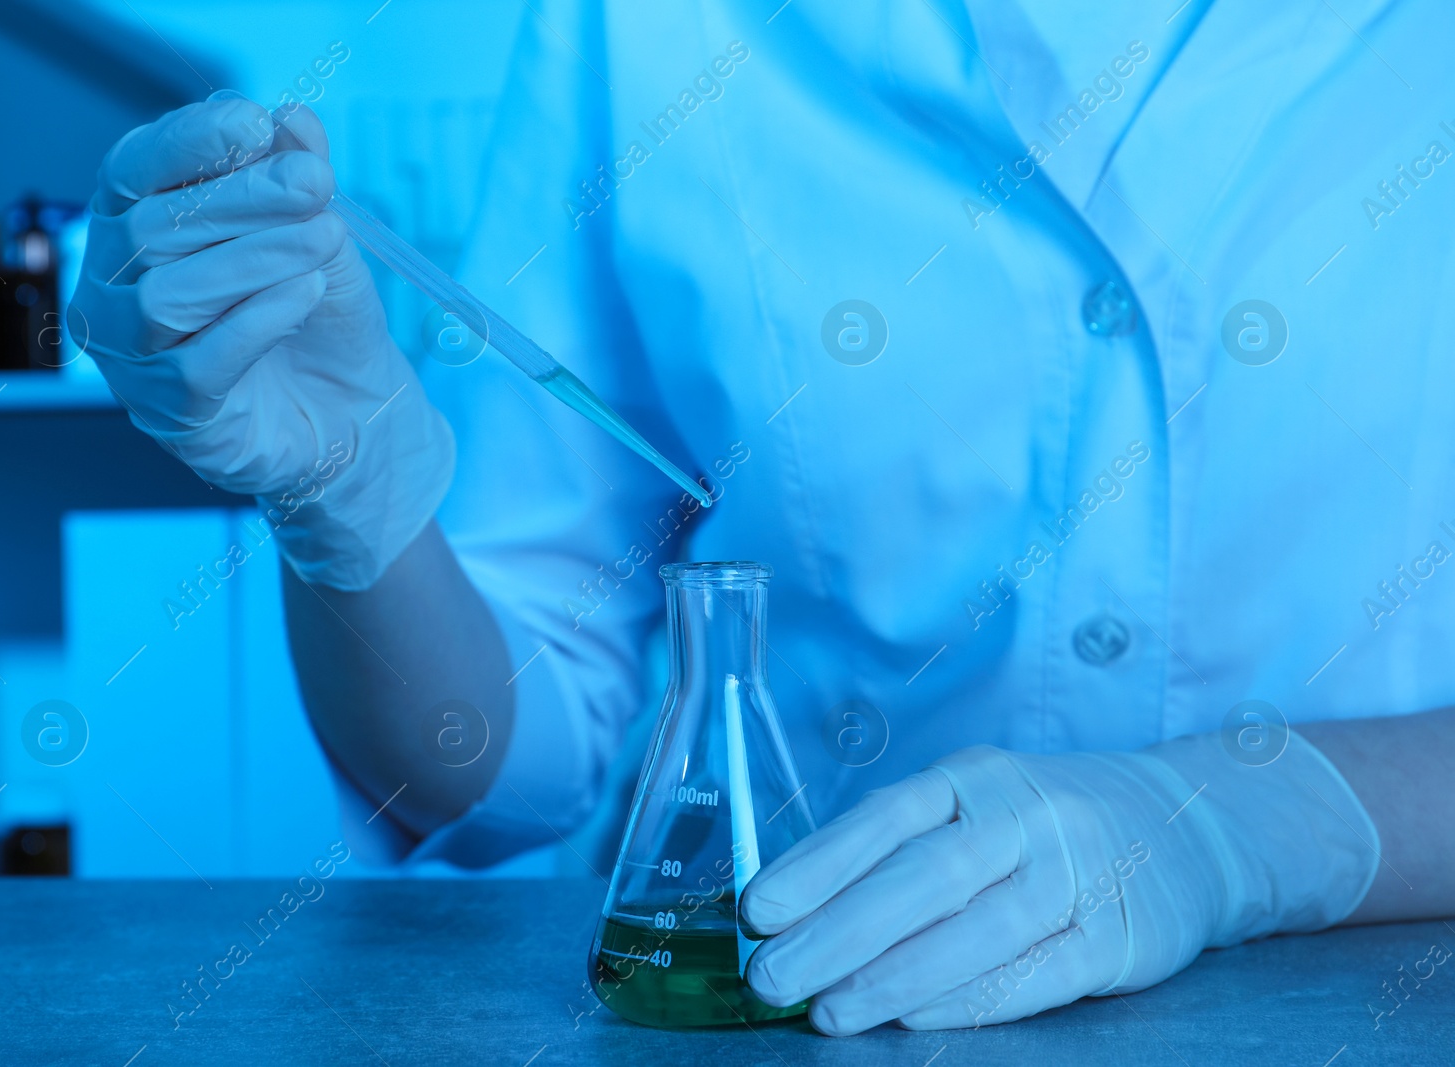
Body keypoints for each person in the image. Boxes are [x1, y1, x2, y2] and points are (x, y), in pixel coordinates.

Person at [72, 0, 1454, 1035]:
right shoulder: (655, 26)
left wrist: (1242, 828)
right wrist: (350, 507)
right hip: (828, 1017)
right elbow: (491, 771)